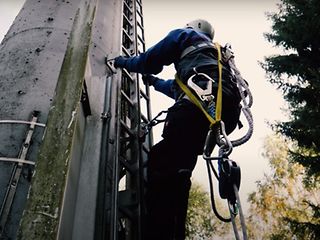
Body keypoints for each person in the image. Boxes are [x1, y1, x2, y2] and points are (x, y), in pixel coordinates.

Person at [114, 19, 242, 240]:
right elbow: (177, 89)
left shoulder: (184, 36)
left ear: (191, 27)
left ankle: (157, 233)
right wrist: (153, 83)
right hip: (222, 112)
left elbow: (148, 61)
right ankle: (174, 234)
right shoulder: (213, 59)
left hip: (193, 113)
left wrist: (122, 62)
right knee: (180, 173)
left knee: (163, 164)